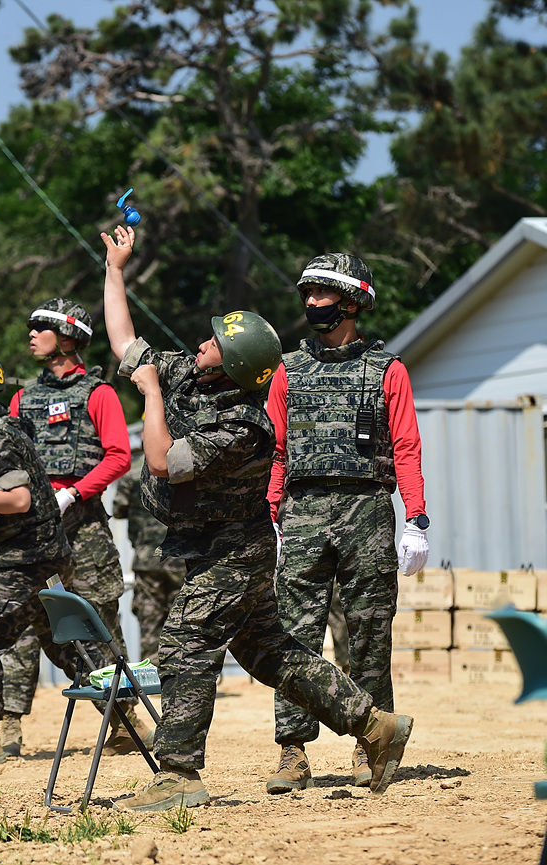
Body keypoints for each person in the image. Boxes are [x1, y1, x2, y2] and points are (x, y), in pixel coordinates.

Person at [101, 224, 413, 811]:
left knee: (187, 641)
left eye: (215, 341)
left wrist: (147, 398)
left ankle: (179, 775)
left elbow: (163, 462)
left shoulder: (243, 425)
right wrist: (116, 269)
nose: (202, 342)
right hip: (212, 547)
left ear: (234, 364)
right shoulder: (189, 373)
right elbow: (124, 342)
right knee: (276, 654)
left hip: (234, 553)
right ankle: (377, 727)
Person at [263, 253, 429, 794]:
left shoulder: (388, 371)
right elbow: (277, 451)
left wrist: (417, 519)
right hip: (304, 511)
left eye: (322, 294)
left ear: (353, 301)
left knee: (369, 632)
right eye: (306, 294)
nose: (311, 303)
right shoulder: (287, 370)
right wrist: (270, 515)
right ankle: (291, 752)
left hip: (368, 512)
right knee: (293, 634)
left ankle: (371, 741)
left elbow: (406, 446)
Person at [0, 350, 120, 767]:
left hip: (28, 556)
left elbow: (18, 498)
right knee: (65, 648)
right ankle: (124, 723)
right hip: (44, 552)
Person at [0, 298, 137, 756]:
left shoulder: (99, 394)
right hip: (34, 531)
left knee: (101, 622)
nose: (31, 334)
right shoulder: (22, 398)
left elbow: (118, 456)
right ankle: (8, 727)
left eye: (42, 327)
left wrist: (73, 492)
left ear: (69, 337)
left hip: (85, 530)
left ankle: (124, 721)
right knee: (18, 620)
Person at [112, 444, 186, 663]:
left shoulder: (133, 471)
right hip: (181, 558)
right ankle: (180, 674)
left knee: (150, 620)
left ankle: (152, 676)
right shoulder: (183, 467)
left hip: (147, 559)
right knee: (182, 620)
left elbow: (118, 510)